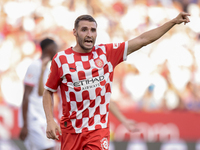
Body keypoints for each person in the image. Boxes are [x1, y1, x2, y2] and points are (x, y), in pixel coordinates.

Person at [43, 13, 190, 150]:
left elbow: (142, 40)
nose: (89, 34)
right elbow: (48, 92)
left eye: (93, 30)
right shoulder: (61, 60)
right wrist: (50, 120)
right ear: (74, 32)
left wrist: (172, 22)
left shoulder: (107, 54)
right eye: (84, 30)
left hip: (97, 131)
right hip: (71, 131)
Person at [19, 38, 57, 150]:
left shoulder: (46, 67)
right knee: (49, 148)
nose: (56, 51)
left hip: (42, 116)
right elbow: (26, 96)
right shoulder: (34, 66)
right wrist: (25, 124)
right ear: (49, 49)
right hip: (34, 117)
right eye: (55, 48)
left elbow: (42, 92)